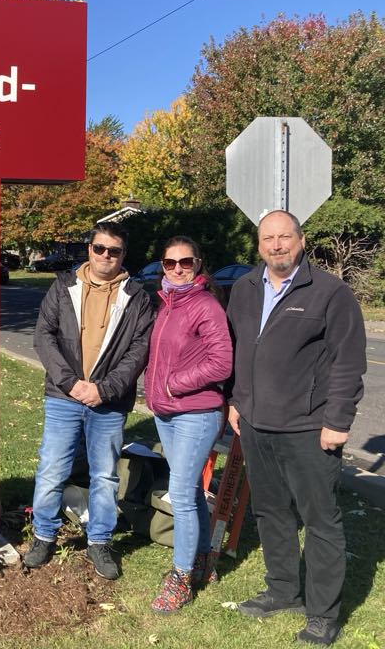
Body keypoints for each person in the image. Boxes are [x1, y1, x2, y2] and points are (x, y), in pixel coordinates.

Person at [226, 210, 366, 646]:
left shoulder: (330, 292)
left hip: (309, 427)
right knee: (270, 512)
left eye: (285, 236)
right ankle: (283, 589)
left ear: (301, 241)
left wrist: (336, 421)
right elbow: (237, 349)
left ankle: (323, 613)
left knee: (320, 519)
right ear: (259, 244)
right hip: (254, 423)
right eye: (269, 238)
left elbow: (348, 361)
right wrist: (236, 401)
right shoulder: (244, 288)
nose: (277, 244)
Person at [25, 221, 154, 579]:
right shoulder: (63, 286)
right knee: (52, 469)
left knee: (105, 475)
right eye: (99, 248)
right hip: (64, 396)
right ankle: (44, 535)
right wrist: (71, 384)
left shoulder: (138, 297)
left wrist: (104, 389)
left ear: (123, 255)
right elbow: (43, 337)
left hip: (108, 402)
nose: (105, 256)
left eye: (114, 251)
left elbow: (138, 350)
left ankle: (99, 541)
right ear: (90, 250)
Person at [143, 236, 232, 613]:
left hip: (197, 411)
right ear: (162, 266)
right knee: (191, 492)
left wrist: (173, 383)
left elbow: (222, 362)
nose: (177, 269)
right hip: (166, 412)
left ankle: (180, 578)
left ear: (198, 264)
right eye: (169, 263)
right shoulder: (164, 304)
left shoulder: (206, 305)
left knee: (180, 493)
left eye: (185, 262)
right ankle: (203, 560)